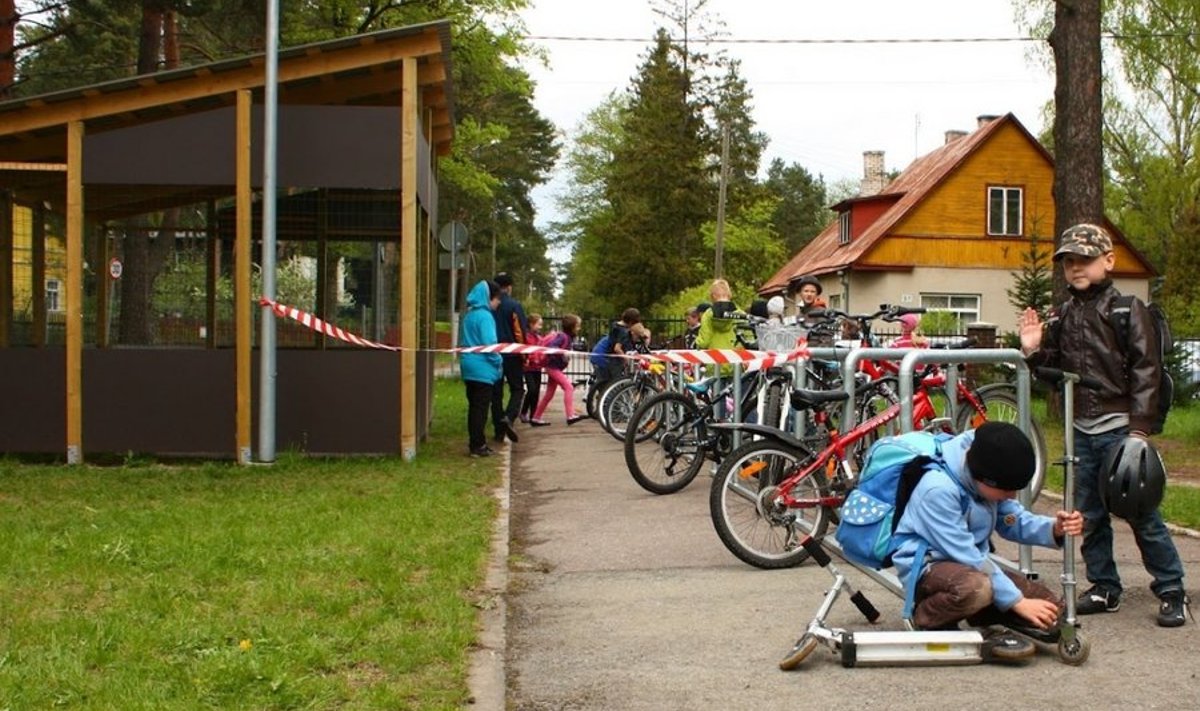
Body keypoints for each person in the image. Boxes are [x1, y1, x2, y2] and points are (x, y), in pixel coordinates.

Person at [1018, 223, 1189, 627]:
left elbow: (1148, 370)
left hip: (1121, 429)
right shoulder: (1062, 315)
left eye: (1085, 259)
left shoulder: (1127, 309)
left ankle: (1171, 588)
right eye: (1068, 262)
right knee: (1088, 514)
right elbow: (1052, 373)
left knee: (1141, 512)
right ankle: (1104, 585)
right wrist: (1033, 350)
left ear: (1108, 261)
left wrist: (1139, 431)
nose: (1076, 268)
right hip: (1081, 429)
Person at [892, 422, 1085, 659]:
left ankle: (983, 612)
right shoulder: (937, 490)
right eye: (1006, 491)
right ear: (983, 479)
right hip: (930, 566)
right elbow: (967, 555)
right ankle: (926, 618)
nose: (1012, 496)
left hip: (975, 567)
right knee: (977, 589)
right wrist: (1017, 601)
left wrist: (1054, 528)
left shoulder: (987, 472)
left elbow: (1013, 520)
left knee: (1053, 612)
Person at [459, 280, 503, 457]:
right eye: (497, 298)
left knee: (474, 407)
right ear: (489, 298)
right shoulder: (485, 316)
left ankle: (477, 442)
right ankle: (478, 445)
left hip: (469, 365)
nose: (499, 302)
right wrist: (498, 360)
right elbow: (489, 344)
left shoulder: (470, 315)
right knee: (481, 409)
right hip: (482, 368)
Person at [531, 314, 588, 426]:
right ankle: (570, 415)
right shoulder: (563, 337)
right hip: (553, 368)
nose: (579, 328)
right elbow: (552, 347)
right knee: (569, 387)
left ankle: (536, 418)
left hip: (553, 367)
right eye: (577, 326)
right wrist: (563, 353)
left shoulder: (567, 337)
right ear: (572, 327)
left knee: (549, 394)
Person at [491, 272, 527, 444]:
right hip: (512, 353)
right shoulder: (514, 305)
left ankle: (498, 431)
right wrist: (524, 353)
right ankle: (509, 417)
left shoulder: (490, 305)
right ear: (509, 287)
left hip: (492, 353)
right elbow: (519, 332)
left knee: (496, 392)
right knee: (517, 389)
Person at [520, 313, 545, 424]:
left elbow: (541, 350)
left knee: (536, 392)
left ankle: (533, 415)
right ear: (531, 324)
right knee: (532, 390)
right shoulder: (526, 337)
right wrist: (530, 358)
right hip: (528, 367)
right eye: (538, 324)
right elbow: (525, 350)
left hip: (537, 368)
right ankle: (523, 412)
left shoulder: (539, 337)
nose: (540, 327)